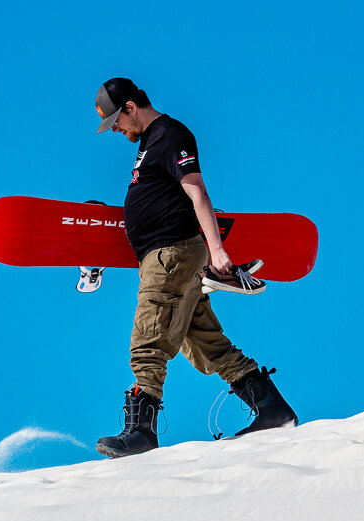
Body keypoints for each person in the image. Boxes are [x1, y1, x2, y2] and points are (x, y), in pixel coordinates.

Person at [92, 77, 297, 457]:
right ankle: (270, 408)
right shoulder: (151, 143)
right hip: (169, 257)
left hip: (170, 256)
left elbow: (197, 191)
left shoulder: (169, 134)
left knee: (149, 340)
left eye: (118, 121)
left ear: (133, 107)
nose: (117, 130)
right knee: (202, 342)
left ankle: (141, 432)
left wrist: (218, 253)